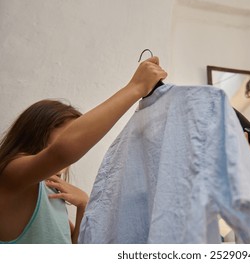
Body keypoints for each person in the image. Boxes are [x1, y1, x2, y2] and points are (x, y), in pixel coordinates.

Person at [0, 56, 167, 243]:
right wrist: (136, 87)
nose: (80, 140)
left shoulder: (50, 191)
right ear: (40, 130)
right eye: (71, 132)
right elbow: (62, 151)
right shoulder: (11, 173)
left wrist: (83, 205)